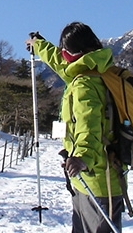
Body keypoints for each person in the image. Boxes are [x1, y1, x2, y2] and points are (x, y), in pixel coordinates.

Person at [26, 22, 126, 233]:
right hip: (98, 177)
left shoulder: (84, 85)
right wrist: (39, 45)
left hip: (98, 181)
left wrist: (82, 158)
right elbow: (60, 63)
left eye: (65, 51)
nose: (62, 55)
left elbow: (90, 127)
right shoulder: (96, 69)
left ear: (75, 53)